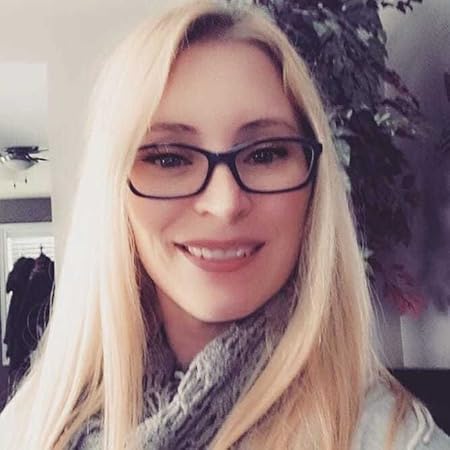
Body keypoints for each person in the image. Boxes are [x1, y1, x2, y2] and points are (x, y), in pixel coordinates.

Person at [0, 1, 449, 449]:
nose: (225, 204)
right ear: (112, 189)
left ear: (315, 184)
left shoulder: (395, 439)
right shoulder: (32, 424)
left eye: (265, 153)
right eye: (169, 158)